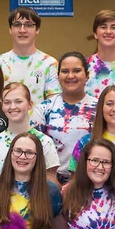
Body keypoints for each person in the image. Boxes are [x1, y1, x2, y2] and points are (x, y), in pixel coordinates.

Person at [32, 51, 97, 185]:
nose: (70, 76)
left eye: (77, 71)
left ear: (87, 75)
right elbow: (35, 150)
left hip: (90, 181)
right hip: (49, 182)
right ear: (58, 76)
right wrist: (52, 181)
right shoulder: (44, 109)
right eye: (65, 71)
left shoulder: (99, 108)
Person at [0, 82, 60, 187]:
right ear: (2, 106)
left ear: (30, 104)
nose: (13, 107)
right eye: (7, 102)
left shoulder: (45, 142)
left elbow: (52, 186)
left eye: (18, 101)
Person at [0, 7, 60, 105]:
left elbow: (53, 104)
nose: (22, 30)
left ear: (37, 29)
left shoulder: (50, 64)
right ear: (10, 29)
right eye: (17, 25)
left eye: (28, 25)